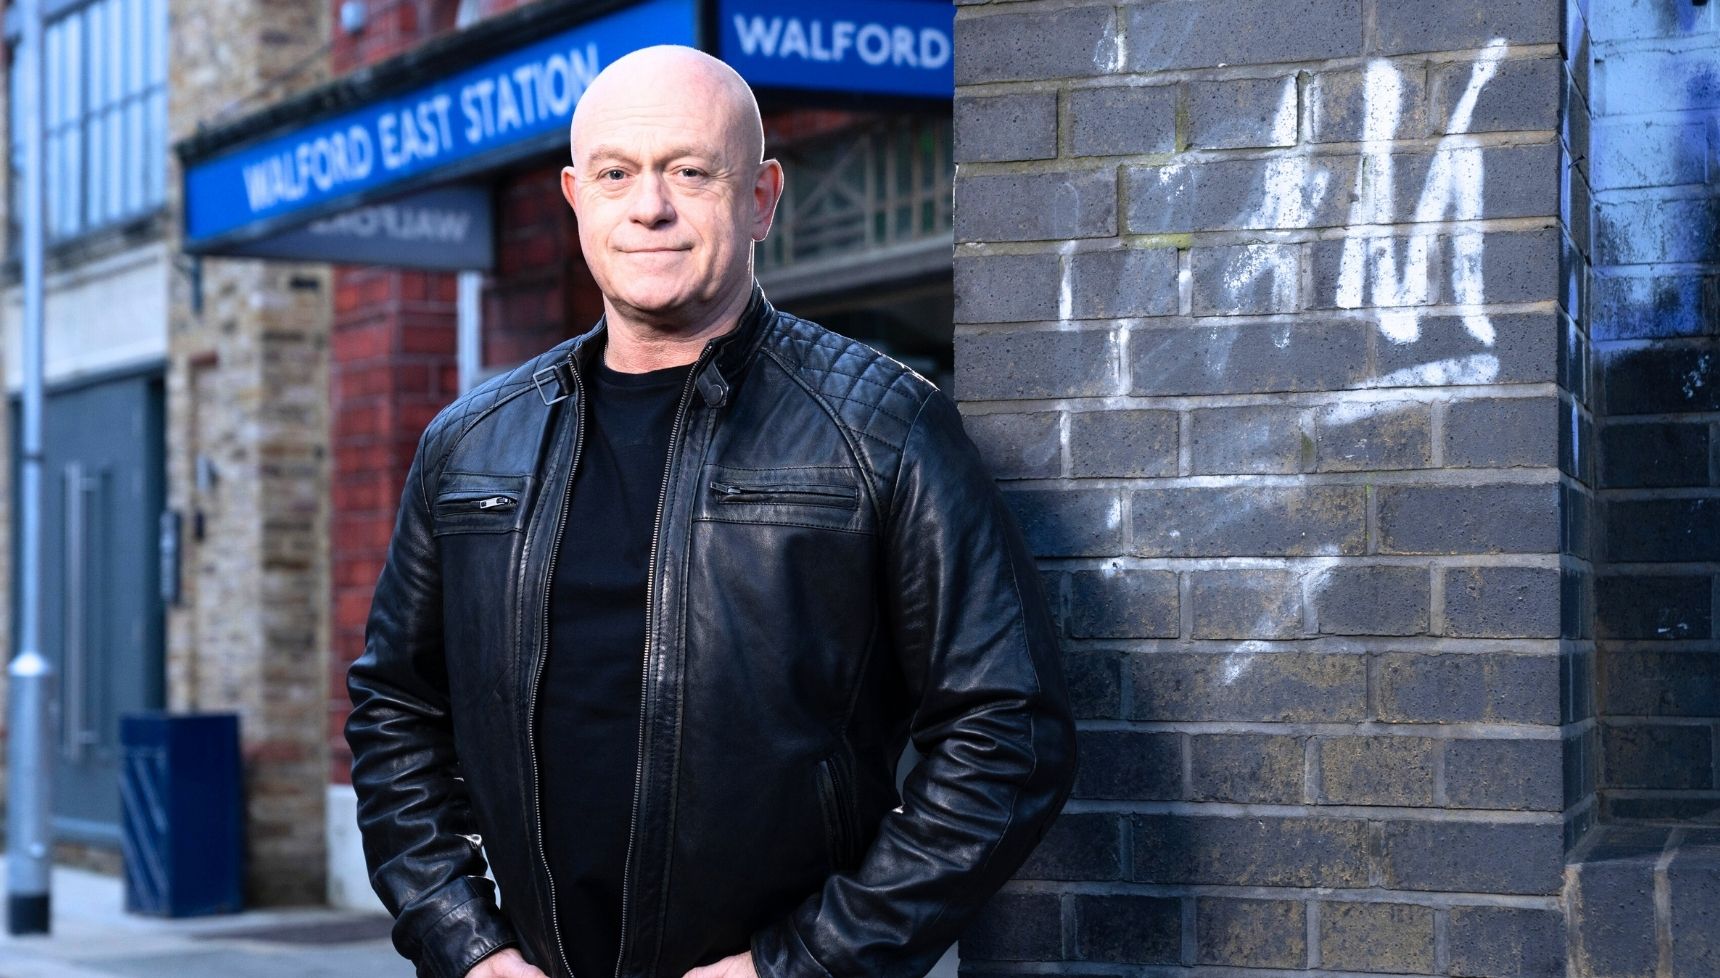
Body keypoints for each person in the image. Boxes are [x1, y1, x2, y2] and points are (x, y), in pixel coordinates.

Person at [345, 44, 1076, 978]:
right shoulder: (471, 442)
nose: (649, 206)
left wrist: (808, 961)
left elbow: (1007, 733)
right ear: (577, 199)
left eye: (690, 171)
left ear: (763, 197)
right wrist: (464, 941)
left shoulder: (884, 428)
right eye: (617, 174)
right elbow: (395, 709)